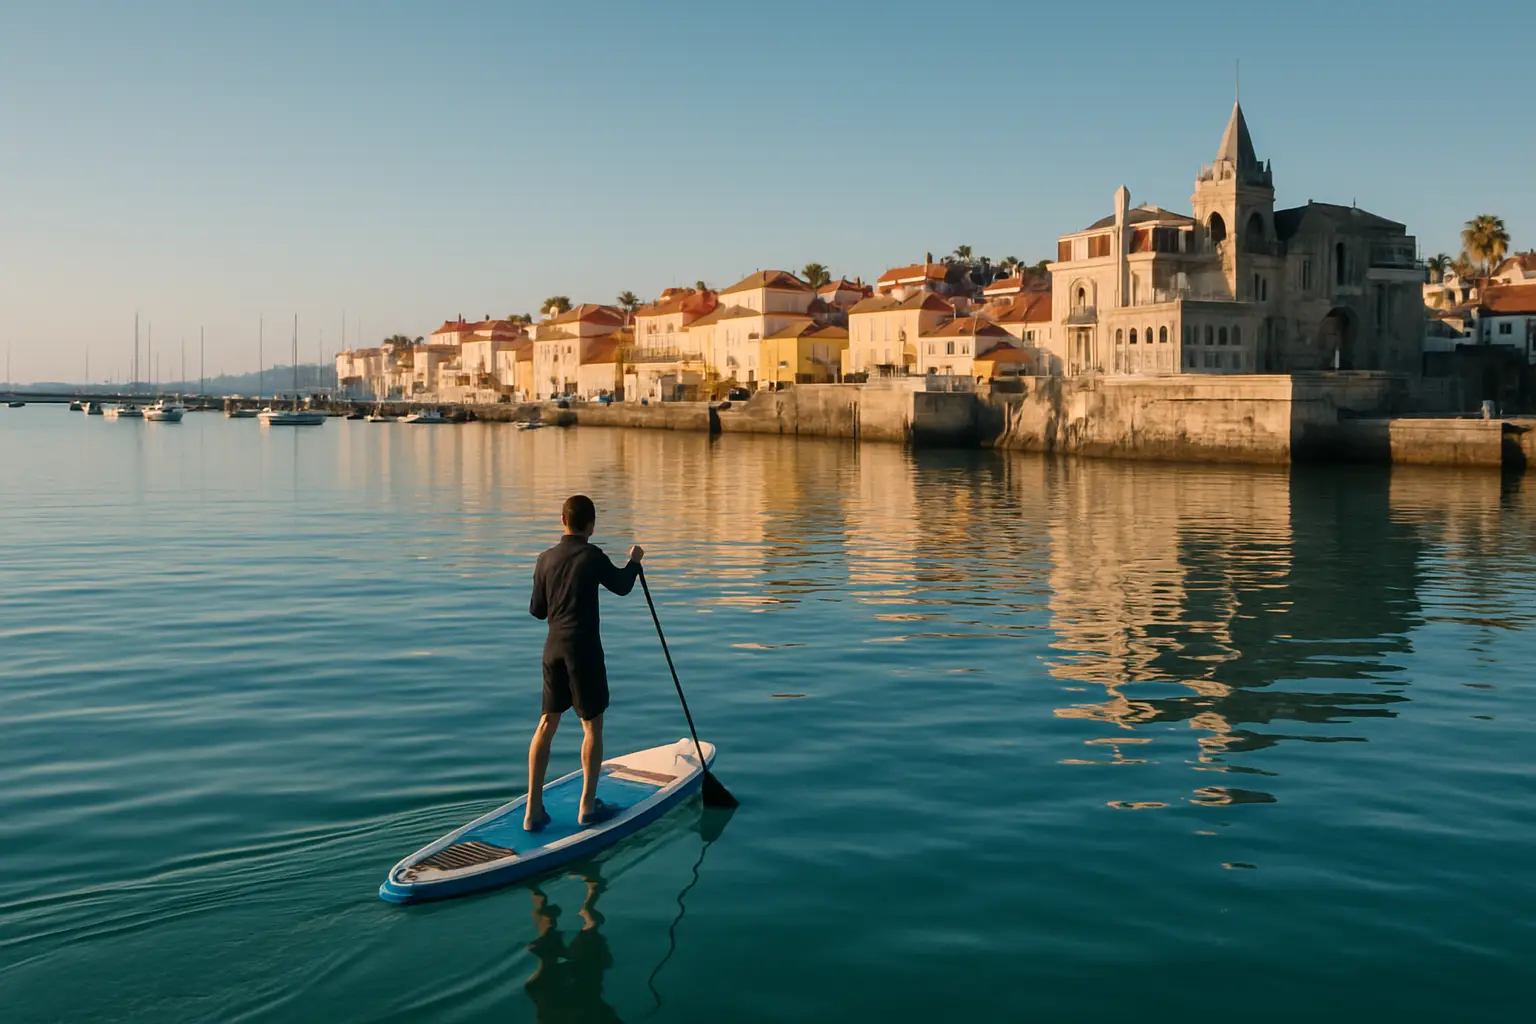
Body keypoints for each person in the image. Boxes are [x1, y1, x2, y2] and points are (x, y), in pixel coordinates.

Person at [525, 494, 643, 830]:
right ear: (592, 525)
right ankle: (588, 807)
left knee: (546, 725)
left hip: (552, 650)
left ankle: (533, 811)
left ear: (562, 521)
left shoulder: (545, 559)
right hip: (584, 650)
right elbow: (622, 586)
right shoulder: (592, 556)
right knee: (592, 727)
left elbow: (537, 611)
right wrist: (634, 562)